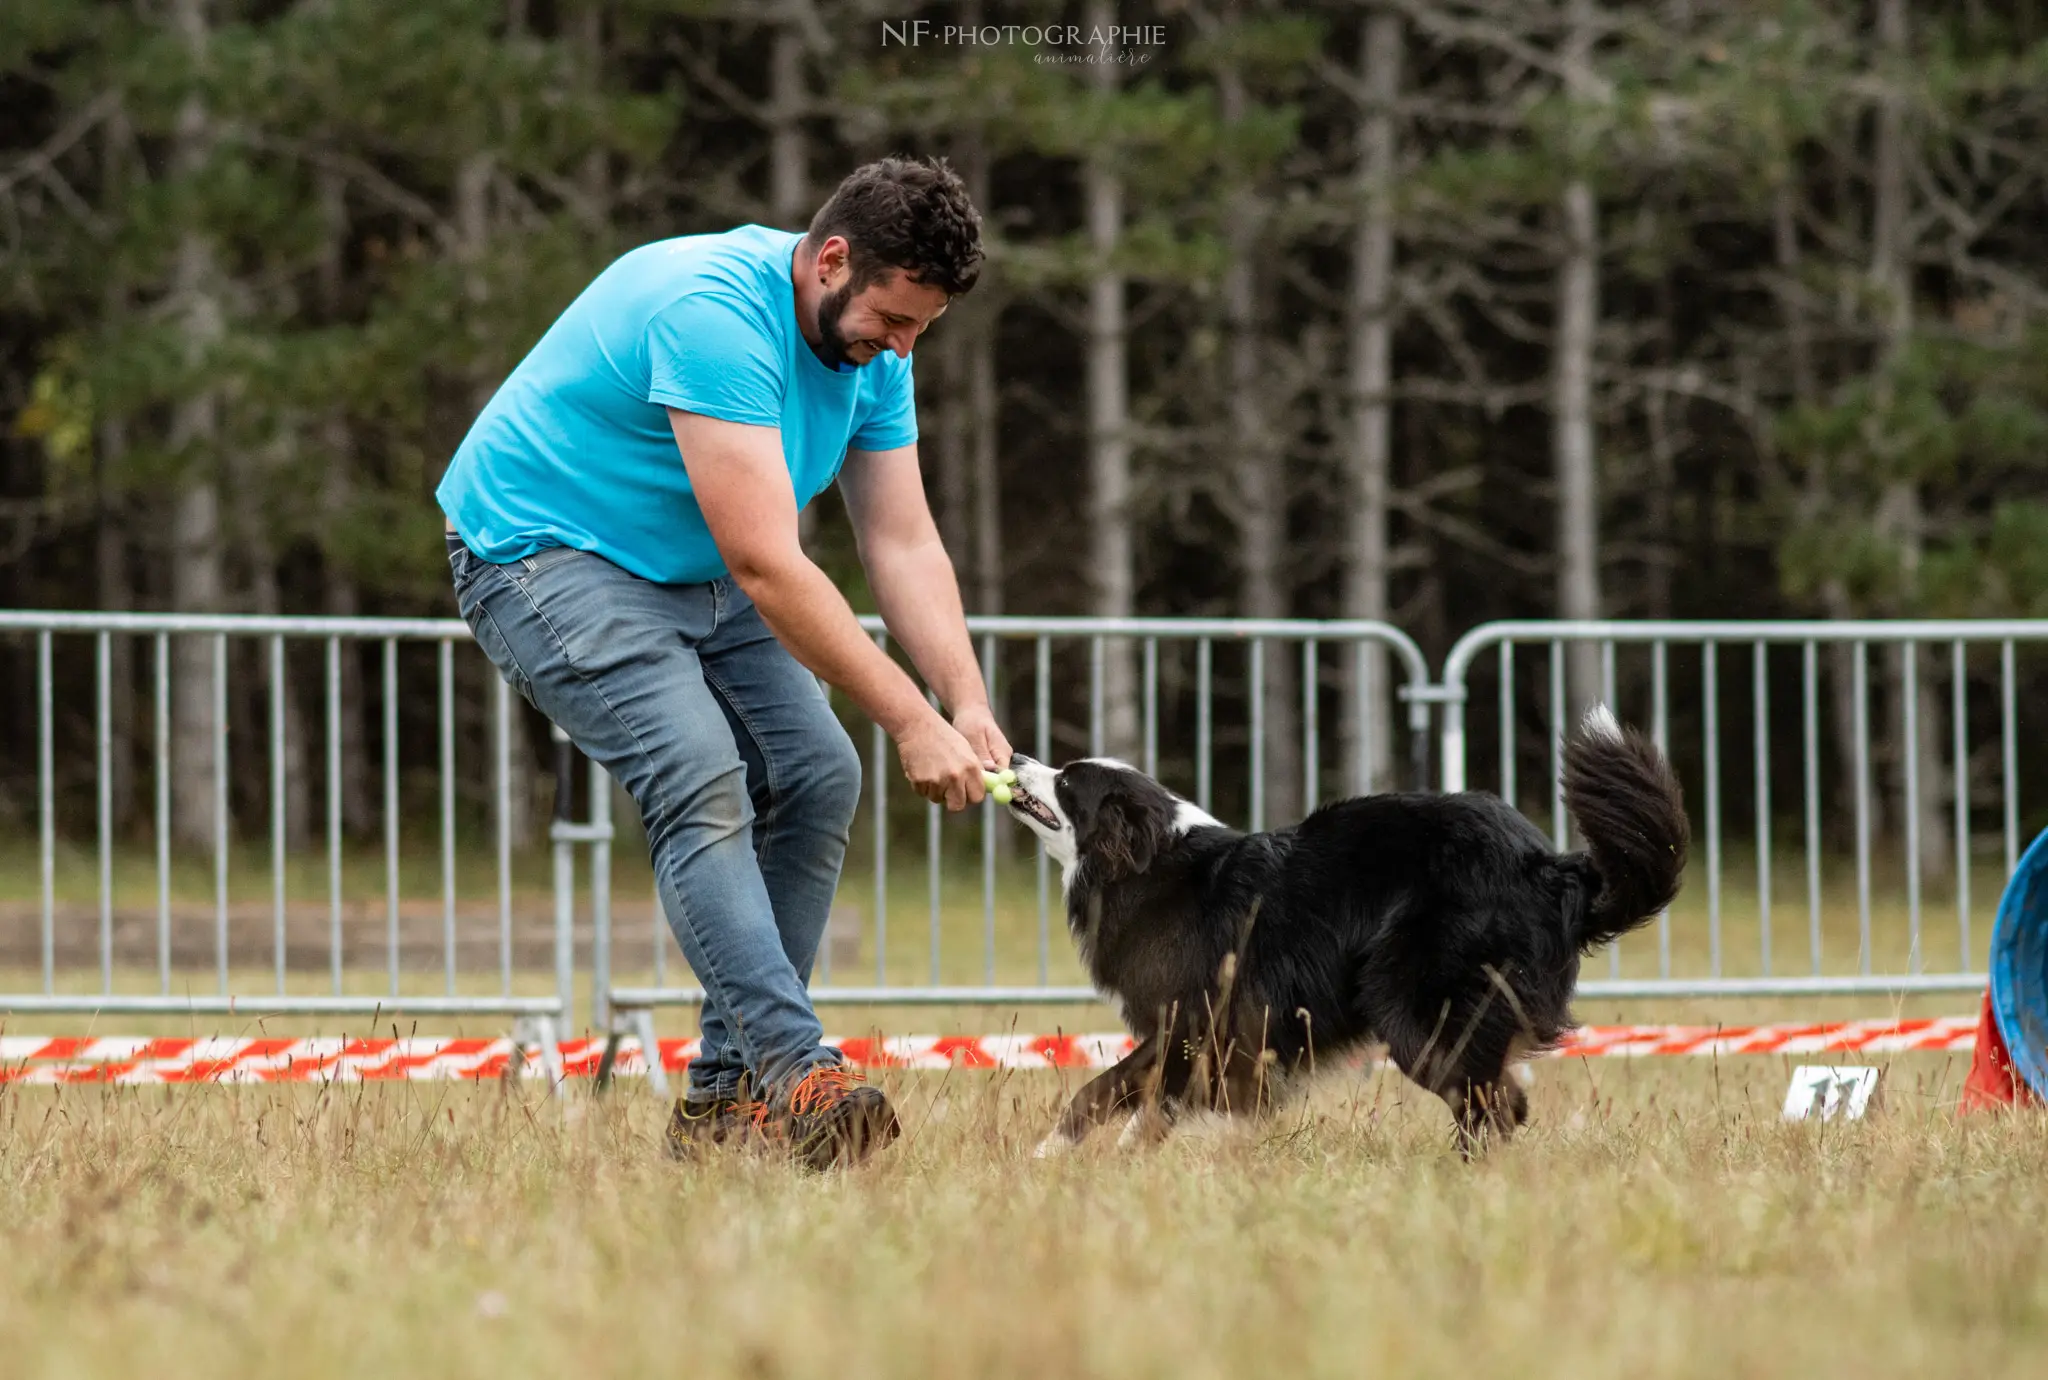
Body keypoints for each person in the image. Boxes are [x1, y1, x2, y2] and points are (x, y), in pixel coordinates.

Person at [437, 156, 1011, 1170]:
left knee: (818, 773)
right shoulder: (711, 315)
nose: (902, 349)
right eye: (894, 319)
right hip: (543, 552)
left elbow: (902, 542)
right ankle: (797, 1074)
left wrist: (961, 702)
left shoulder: (876, 353)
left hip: (693, 565)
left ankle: (717, 1107)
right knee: (697, 773)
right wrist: (908, 722)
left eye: (922, 329)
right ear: (830, 260)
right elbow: (765, 563)